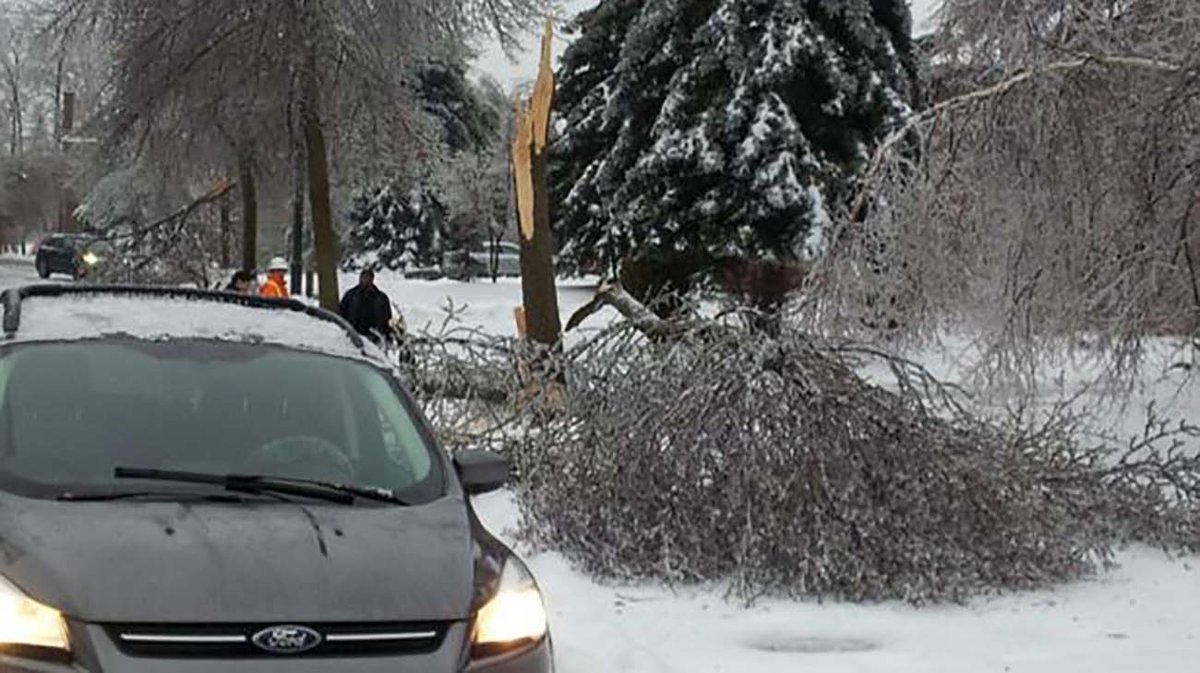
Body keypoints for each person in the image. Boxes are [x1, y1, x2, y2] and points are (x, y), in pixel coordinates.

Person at [339, 268, 393, 344]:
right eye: (363, 278)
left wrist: (387, 336)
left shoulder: (381, 298)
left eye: (368, 278)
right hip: (354, 337)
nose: (365, 281)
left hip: (374, 338)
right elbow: (341, 315)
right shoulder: (350, 296)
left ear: (372, 280)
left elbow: (387, 319)